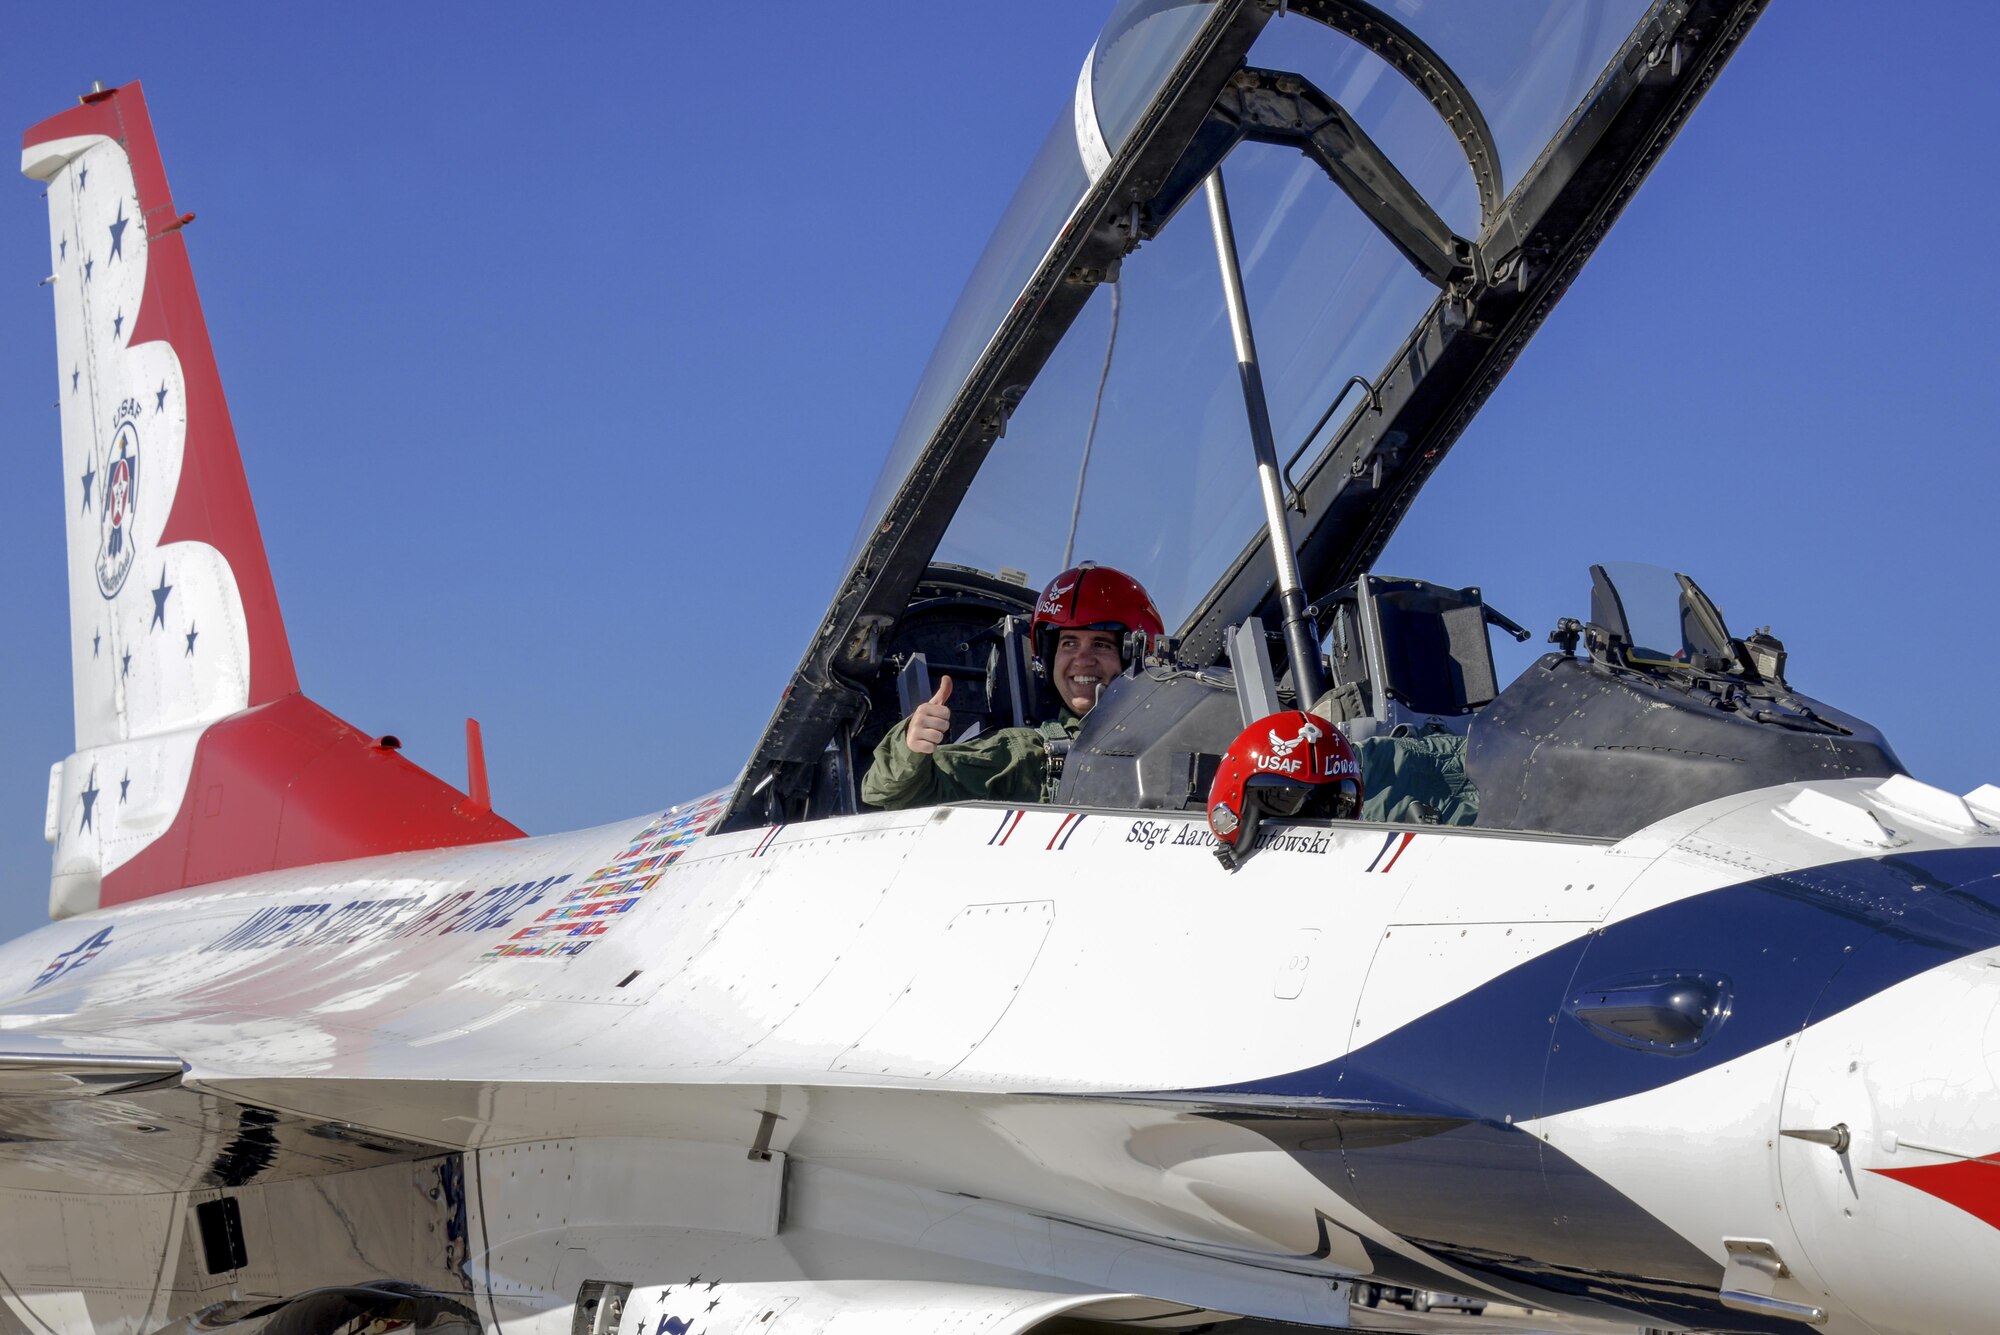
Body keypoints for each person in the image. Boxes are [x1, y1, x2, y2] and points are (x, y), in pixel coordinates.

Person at [862, 563, 1163, 810]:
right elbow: (890, 793)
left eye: (1100, 644)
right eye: (1068, 643)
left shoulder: (1184, 735)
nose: (1082, 660)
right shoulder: (1029, 755)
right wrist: (910, 746)